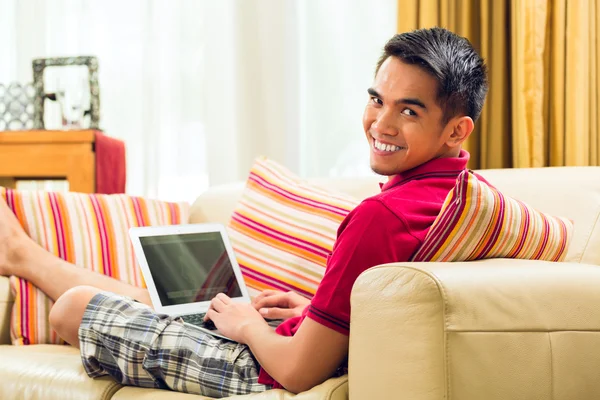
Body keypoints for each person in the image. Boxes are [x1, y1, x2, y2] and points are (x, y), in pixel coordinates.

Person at [0, 27, 488, 398]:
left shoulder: (382, 215)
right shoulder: (468, 198)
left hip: (256, 367)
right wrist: (316, 313)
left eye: (409, 111)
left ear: (456, 130)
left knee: (74, 307)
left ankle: (20, 255)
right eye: (376, 99)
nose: (380, 122)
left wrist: (248, 328)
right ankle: (22, 254)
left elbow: (297, 371)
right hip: (296, 343)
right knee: (182, 304)